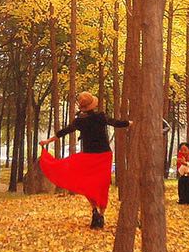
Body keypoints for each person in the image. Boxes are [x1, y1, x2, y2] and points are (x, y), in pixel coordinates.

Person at [38, 92, 128, 228]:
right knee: (102, 186)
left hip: (88, 156)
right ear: (93, 105)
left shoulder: (79, 121)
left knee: (88, 184)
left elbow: (64, 131)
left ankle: (94, 210)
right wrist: (130, 123)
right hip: (103, 156)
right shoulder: (100, 116)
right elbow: (116, 123)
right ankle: (100, 215)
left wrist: (47, 141)